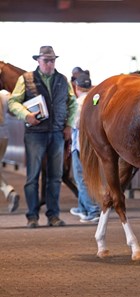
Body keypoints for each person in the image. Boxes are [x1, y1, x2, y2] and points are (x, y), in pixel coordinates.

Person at [8, 45, 77, 228]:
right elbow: (13, 102)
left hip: (57, 133)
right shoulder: (26, 79)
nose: (49, 63)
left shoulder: (63, 80)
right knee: (33, 176)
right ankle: (32, 216)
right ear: (38, 61)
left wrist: (69, 125)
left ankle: (53, 216)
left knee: (55, 177)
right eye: (46, 60)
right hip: (35, 134)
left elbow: (73, 104)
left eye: (52, 60)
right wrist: (26, 115)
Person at [69, 73, 101, 223]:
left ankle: (92, 210)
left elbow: (75, 124)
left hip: (80, 145)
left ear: (76, 87)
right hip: (95, 144)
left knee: (81, 178)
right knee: (90, 176)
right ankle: (82, 208)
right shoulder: (96, 99)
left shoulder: (78, 103)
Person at [0, 90, 20, 213]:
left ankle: (8, 191)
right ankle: (8, 192)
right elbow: (15, 112)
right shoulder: (4, 95)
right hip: (3, 136)